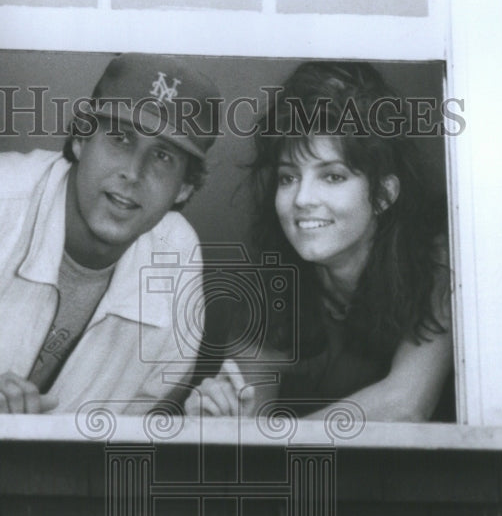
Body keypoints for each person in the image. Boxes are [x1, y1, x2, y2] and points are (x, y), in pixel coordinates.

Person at [0, 53, 221, 414]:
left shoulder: (175, 257)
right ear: (81, 140)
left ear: (184, 188)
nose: (133, 173)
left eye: (163, 156)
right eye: (120, 138)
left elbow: (137, 430)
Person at [185, 61, 453, 422]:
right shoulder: (268, 288)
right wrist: (218, 421)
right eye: (288, 178)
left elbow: (404, 404)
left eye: (332, 177)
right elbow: (248, 426)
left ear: (384, 194)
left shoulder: (440, 257)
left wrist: (272, 443)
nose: (302, 199)